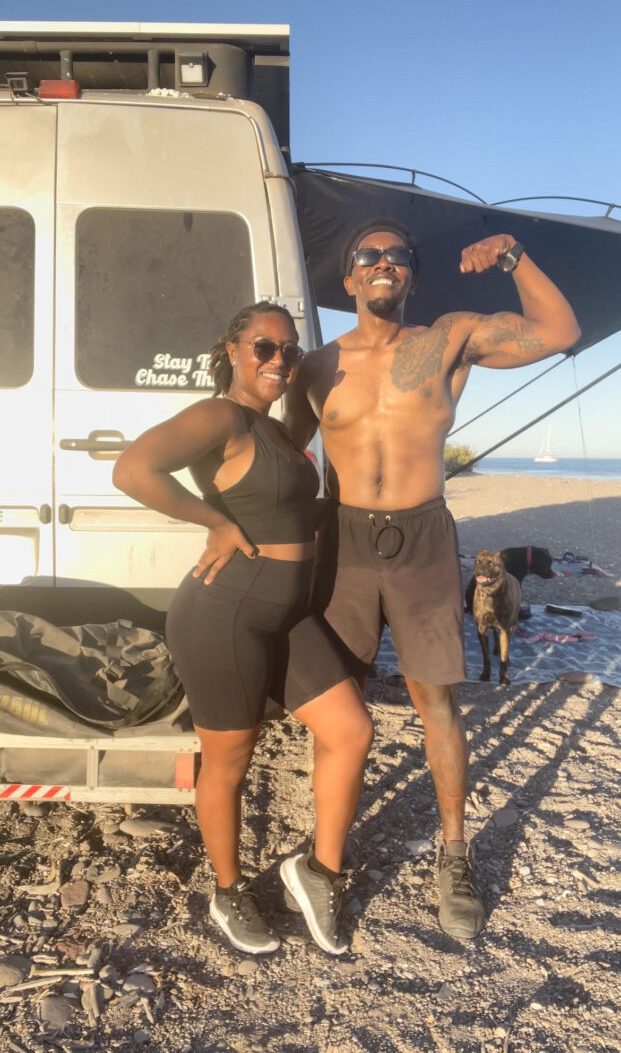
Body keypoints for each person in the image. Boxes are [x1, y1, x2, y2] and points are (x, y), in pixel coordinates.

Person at [280, 221, 581, 940]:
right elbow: (282, 457)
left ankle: (452, 856)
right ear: (349, 279)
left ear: (410, 276)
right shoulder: (317, 366)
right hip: (344, 539)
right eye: (368, 256)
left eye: (396, 256)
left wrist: (511, 254)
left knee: (435, 702)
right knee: (340, 703)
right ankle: (327, 862)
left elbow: (560, 331)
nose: (383, 264)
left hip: (420, 537)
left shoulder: (449, 337)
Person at [112, 301, 373, 956]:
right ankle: (227, 892)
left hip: (287, 614)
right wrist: (213, 522)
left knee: (350, 731)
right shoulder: (222, 415)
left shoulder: (279, 428)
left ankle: (317, 873)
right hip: (224, 614)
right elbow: (133, 469)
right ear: (232, 349)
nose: (278, 359)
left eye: (288, 349)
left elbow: (288, 507)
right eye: (264, 346)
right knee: (229, 763)